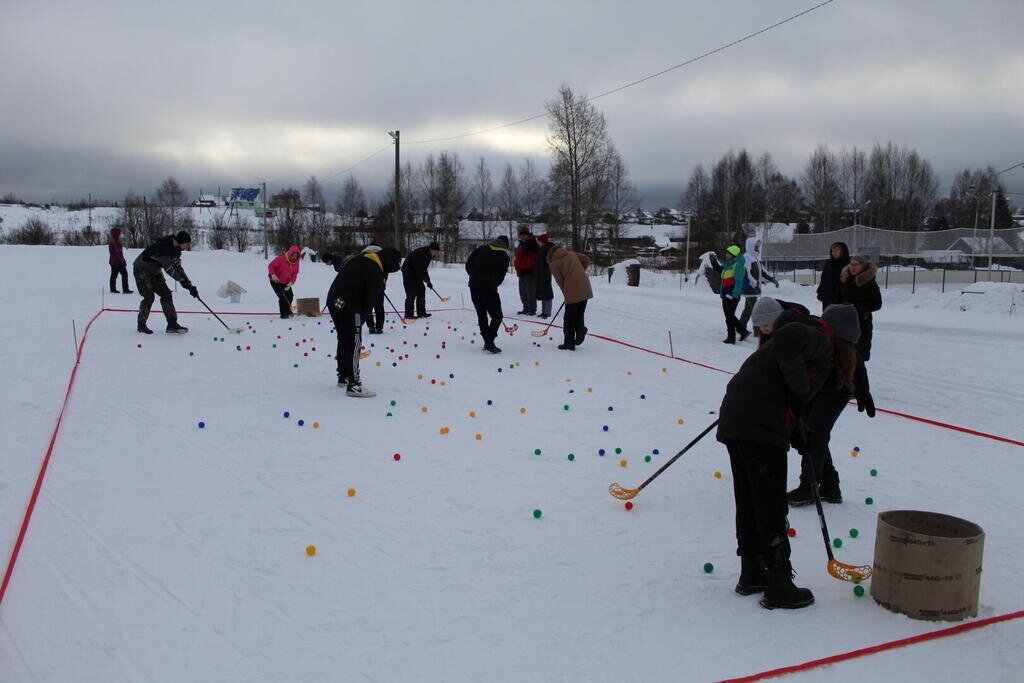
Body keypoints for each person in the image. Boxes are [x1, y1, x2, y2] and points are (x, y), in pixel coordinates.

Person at [717, 305, 834, 609]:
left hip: (737, 418)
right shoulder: (815, 335)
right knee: (769, 504)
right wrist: (799, 396)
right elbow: (791, 348)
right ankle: (779, 583)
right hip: (758, 423)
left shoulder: (789, 344)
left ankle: (752, 573)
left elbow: (782, 394)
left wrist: (799, 434)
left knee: (750, 499)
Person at [787, 304, 875, 507]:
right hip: (817, 389)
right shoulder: (821, 339)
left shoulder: (846, 351)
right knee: (809, 432)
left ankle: (809, 486)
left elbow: (859, 367)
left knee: (815, 433)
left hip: (838, 391)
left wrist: (864, 393)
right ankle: (830, 486)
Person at [327, 245, 401, 396]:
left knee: (343, 338)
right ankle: (354, 384)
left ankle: (344, 376)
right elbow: (370, 301)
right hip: (349, 304)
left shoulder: (361, 259)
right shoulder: (375, 270)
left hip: (335, 301)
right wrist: (361, 320)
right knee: (354, 341)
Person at [133, 231, 198, 334]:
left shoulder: (176, 250)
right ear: (181, 242)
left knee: (166, 293)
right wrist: (181, 281)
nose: (188, 246)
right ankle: (141, 325)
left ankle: (172, 324)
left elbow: (177, 267)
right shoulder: (165, 247)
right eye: (187, 244)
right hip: (142, 269)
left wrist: (189, 284)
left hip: (154, 270)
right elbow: (168, 269)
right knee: (149, 296)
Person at [465, 235, 511, 353]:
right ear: (505, 245)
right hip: (489, 289)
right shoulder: (504, 256)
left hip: (474, 287)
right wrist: (494, 283)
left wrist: (475, 277)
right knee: (497, 316)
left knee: (482, 315)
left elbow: (468, 265)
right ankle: (489, 341)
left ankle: (487, 341)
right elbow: (501, 276)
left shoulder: (481, 249)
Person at [547, 242, 593, 351]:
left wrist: (566, 293)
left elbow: (560, 281)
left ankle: (569, 343)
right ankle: (580, 330)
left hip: (572, 289)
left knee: (569, 318)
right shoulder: (571, 254)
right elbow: (587, 259)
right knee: (579, 313)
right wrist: (580, 272)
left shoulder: (553, 264)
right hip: (585, 285)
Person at [839, 253, 882, 362]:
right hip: (845, 321)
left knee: (859, 355)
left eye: (856, 264)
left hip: (862, 322)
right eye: (851, 264)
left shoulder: (869, 283)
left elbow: (877, 304)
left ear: (863, 266)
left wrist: (856, 307)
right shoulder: (846, 280)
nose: (853, 267)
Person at [738, 236, 779, 334]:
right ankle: (758, 331)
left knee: (748, 310)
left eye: (758, 246)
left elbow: (763, 272)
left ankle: (740, 327)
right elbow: (746, 274)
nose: (757, 248)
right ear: (750, 246)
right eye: (755, 246)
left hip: (754, 289)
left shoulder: (755, 258)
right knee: (756, 311)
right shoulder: (746, 258)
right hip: (749, 289)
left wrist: (772, 279)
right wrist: (755, 284)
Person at [709, 245, 749, 344]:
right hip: (726, 295)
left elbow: (739, 282)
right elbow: (718, 268)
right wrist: (713, 260)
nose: (726, 254)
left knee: (729, 317)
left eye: (728, 253)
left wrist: (734, 295)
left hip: (732, 296)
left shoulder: (737, 265)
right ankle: (743, 331)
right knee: (729, 316)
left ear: (732, 255)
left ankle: (731, 338)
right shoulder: (728, 265)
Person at [401, 241, 439, 319]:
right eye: (436, 252)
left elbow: (424, 269)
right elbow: (418, 268)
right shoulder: (420, 253)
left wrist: (428, 281)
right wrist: (425, 279)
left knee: (421, 290)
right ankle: (408, 314)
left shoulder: (428, 255)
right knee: (411, 293)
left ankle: (421, 312)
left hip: (416, 273)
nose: (436, 254)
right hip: (408, 272)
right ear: (431, 249)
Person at [268, 245, 301, 318]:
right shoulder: (281, 259)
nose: (294, 257)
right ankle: (283, 314)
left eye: (296, 256)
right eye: (293, 255)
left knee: (290, 295)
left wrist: (291, 283)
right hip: (275, 279)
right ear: (290, 254)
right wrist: (273, 275)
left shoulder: (296, 263)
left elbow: (294, 274)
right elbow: (271, 266)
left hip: (285, 281)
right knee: (282, 297)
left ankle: (288, 311)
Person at [816, 242, 850, 312]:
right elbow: (824, 278)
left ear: (842, 251)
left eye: (836, 251)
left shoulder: (848, 264)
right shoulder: (829, 263)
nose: (833, 253)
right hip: (828, 295)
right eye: (832, 251)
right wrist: (821, 291)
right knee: (827, 315)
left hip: (841, 296)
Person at [514, 228, 539, 315]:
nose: (523, 237)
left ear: (528, 236)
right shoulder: (520, 245)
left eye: (525, 235)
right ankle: (526, 308)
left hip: (530, 271)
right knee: (523, 292)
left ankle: (532, 309)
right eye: (521, 235)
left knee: (530, 292)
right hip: (521, 271)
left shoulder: (532, 244)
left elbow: (535, 257)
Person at [535, 233, 554, 318]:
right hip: (541, 273)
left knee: (547, 293)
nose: (537, 242)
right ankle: (544, 312)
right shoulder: (541, 249)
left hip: (546, 273)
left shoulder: (547, 249)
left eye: (538, 241)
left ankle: (547, 312)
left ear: (542, 241)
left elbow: (548, 262)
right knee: (543, 292)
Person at [108, 227, 132, 294]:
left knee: (115, 275)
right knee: (122, 274)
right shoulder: (113, 242)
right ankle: (124, 290)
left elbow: (120, 252)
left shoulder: (117, 240)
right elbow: (116, 253)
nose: (120, 234)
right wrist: (121, 260)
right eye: (119, 233)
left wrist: (123, 260)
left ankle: (114, 289)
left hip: (116, 261)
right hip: (116, 262)